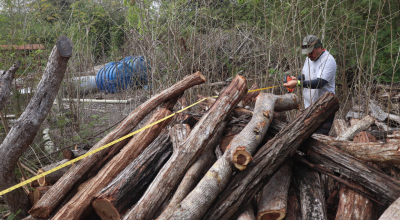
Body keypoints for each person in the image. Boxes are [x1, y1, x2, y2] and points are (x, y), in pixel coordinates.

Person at [283, 35, 337, 135]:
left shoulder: (328, 61)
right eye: (307, 52)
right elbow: (305, 75)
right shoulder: (309, 59)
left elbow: (320, 83)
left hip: (323, 109)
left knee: (319, 139)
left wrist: (298, 83)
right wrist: (297, 79)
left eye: (311, 51)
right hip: (309, 108)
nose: (308, 54)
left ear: (319, 48)